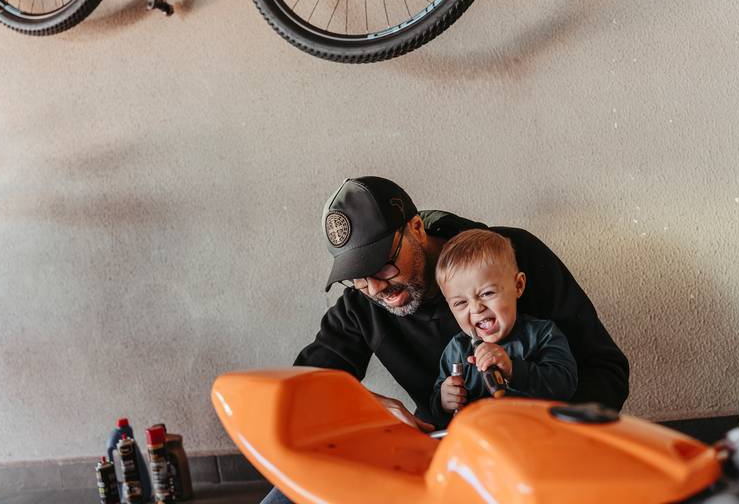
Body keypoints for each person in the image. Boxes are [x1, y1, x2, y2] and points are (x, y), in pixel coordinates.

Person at [260, 176, 629, 504]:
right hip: (439, 453)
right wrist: (370, 410)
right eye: (357, 277)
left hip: (541, 450)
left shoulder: (507, 257)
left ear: (417, 228)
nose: (374, 288)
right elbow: (302, 388)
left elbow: (605, 369)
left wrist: (541, 441)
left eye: (382, 264)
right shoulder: (361, 304)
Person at [430, 229, 577, 424]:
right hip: (478, 445)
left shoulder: (543, 334)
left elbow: (565, 385)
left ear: (518, 286)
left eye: (487, 293)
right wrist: (443, 401)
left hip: (534, 438)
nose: (476, 308)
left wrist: (513, 369)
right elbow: (437, 407)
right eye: (460, 303)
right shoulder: (456, 349)